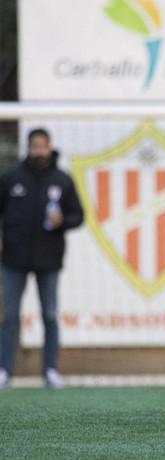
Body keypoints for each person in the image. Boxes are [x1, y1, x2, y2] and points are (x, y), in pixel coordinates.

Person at [0, 128, 83, 389]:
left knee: (49, 315)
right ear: (28, 148)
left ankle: (50, 371)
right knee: (11, 315)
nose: (39, 151)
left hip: (49, 260)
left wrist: (62, 222)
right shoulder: (11, 178)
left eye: (43, 146)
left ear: (49, 147)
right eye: (34, 146)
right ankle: (4, 370)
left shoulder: (62, 180)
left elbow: (78, 216)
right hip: (13, 259)